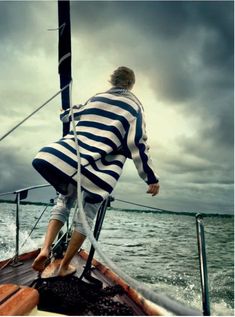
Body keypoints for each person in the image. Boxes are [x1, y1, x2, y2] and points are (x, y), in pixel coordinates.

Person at [32, 66, 160, 276]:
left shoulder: (96, 98)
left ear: (112, 80)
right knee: (86, 217)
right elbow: (138, 142)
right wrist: (151, 177)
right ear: (131, 85)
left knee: (63, 202)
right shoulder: (134, 106)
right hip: (100, 172)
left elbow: (67, 116)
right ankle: (64, 266)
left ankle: (45, 248)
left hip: (71, 161)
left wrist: (66, 111)